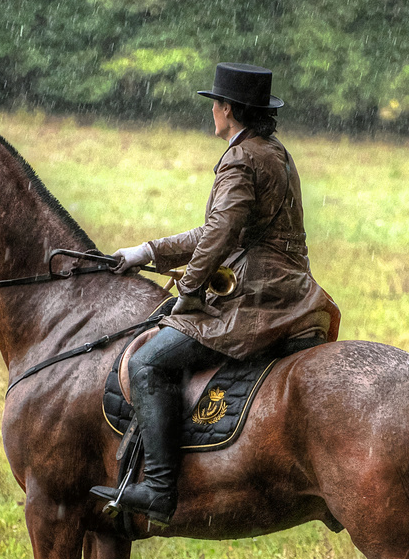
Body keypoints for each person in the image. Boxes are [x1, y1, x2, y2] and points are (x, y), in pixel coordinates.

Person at [95, 62, 339, 526]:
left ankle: (160, 489)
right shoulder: (273, 151)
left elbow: (220, 232)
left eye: (215, 105)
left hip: (258, 299)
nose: (213, 113)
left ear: (227, 109)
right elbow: (217, 230)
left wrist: (188, 291)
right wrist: (146, 251)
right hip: (293, 289)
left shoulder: (241, 158)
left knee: (149, 360)